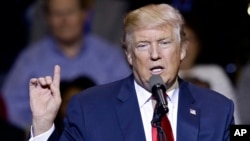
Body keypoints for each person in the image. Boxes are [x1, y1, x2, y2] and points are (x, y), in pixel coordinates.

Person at [29, 3, 234, 141]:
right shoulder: (89, 109)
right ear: (128, 55)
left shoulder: (217, 110)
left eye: (164, 43)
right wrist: (42, 126)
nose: (155, 54)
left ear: (182, 50)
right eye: (143, 45)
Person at [1, 0, 131, 130]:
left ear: (85, 14)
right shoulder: (29, 59)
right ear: (47, 18)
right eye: (57, 14)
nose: (64, 20)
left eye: (70, 12)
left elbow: (129, 100)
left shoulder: (110, 56)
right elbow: (9, 107)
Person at [178, 19, 240, 123]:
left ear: (198, 45)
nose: (184, 46)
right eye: (179, 40)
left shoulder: (214, 73)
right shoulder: (161, 78)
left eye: (189, 40)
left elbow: (232, 115)